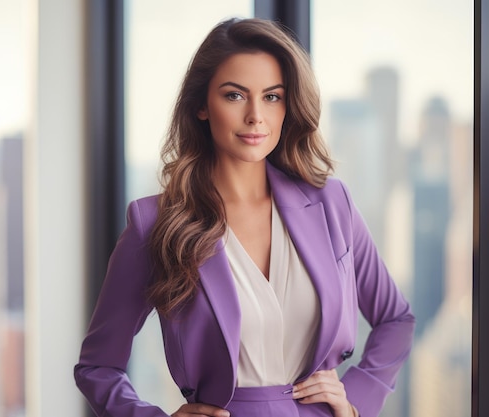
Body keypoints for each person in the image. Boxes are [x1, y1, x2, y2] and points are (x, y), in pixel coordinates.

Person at [74, 17, 415, 417]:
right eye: (235, 96)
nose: (256, 116)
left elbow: (396, 319)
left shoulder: (331, 204)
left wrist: (355, 397)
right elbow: (98, 366)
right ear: (201, 105)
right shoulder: (156, 223)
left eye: (272, 97)